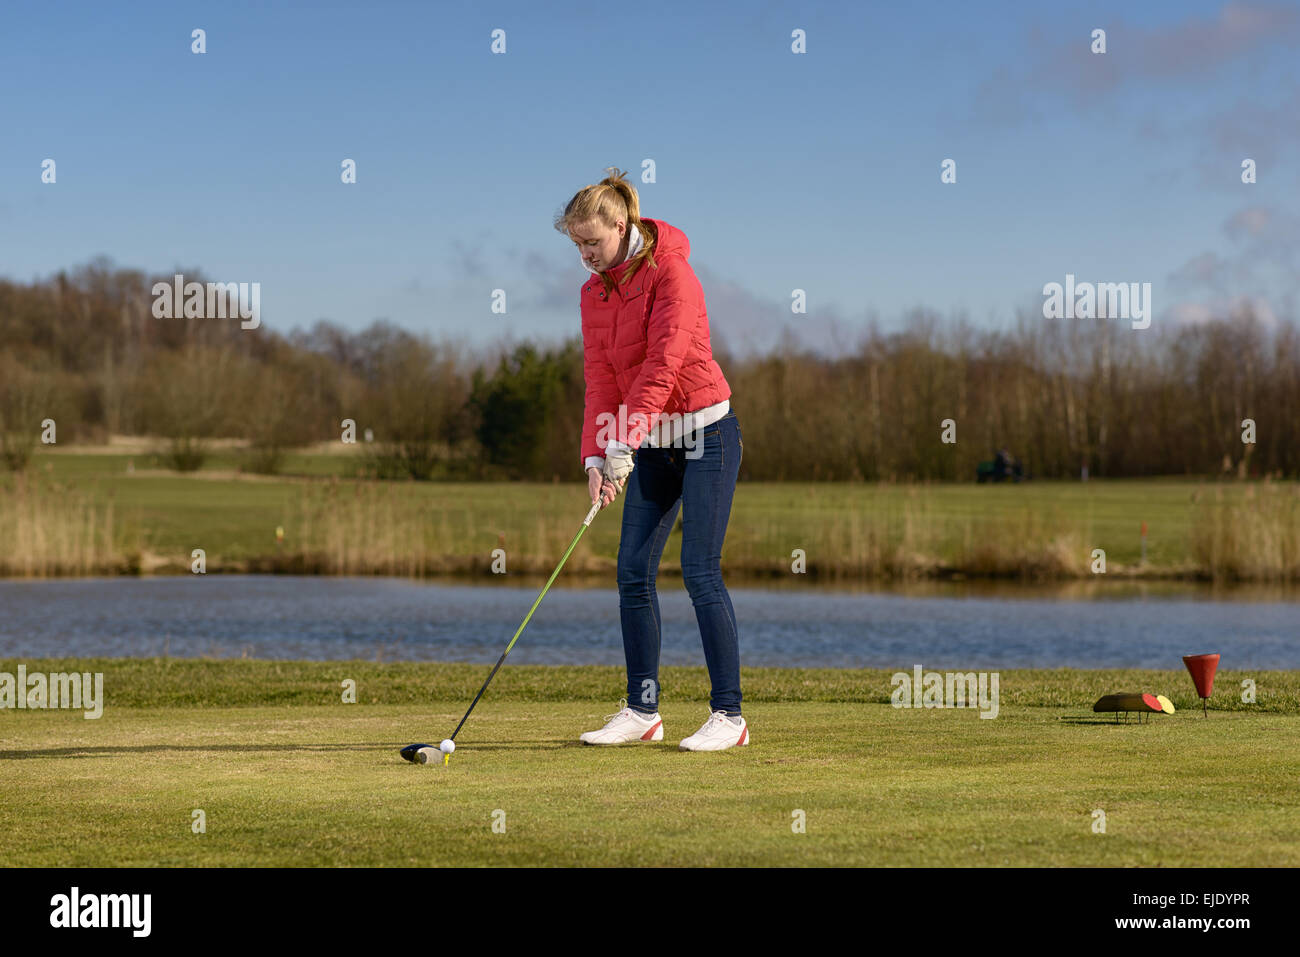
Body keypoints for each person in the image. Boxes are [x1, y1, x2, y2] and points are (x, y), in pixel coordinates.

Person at [554, 167, 747, 752]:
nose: (585, 255)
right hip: (650, 442)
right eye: (577, 245)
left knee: (699, 571)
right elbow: (600, 380)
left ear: (622, 225)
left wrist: (623, 442)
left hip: (706, 436)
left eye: (592, 241)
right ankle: (642, 709)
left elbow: (663, 366)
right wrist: (594, 454)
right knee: (632, 572)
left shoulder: (674, 274)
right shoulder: (594, 294)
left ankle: (730, 717)